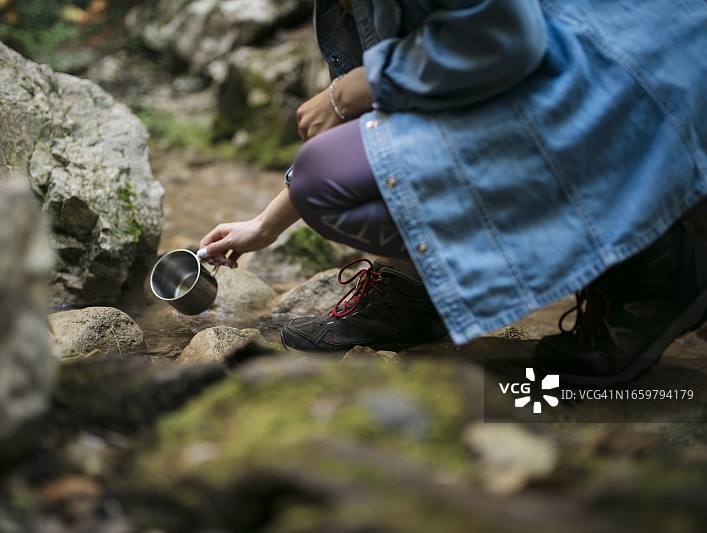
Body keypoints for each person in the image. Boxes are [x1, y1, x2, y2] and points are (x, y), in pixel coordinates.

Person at [198, 0, 707, 386]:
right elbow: (379, 131)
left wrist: (349, 90)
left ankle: (649, 266)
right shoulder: (339, 9)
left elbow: (506, 38)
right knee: (324, 180)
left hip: (619, 80)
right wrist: (263, 225)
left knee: (323, 182)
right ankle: (417, 294)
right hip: (555, 85)